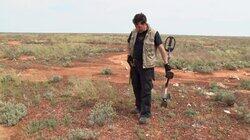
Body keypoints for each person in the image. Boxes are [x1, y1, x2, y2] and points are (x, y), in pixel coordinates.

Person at [127, 13, 172, 124]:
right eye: (136, 26)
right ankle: (138, 107)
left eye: (139, 26)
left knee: (146, 90)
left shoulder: (154, 33)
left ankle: (145, 114)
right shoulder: (134, 32)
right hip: (135, 65)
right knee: (136, 87)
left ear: (145, 23)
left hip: (147, 67)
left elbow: (161, 49)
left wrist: (166, 65)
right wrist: (129, 55)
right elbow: (128, 43)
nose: (137, 28)